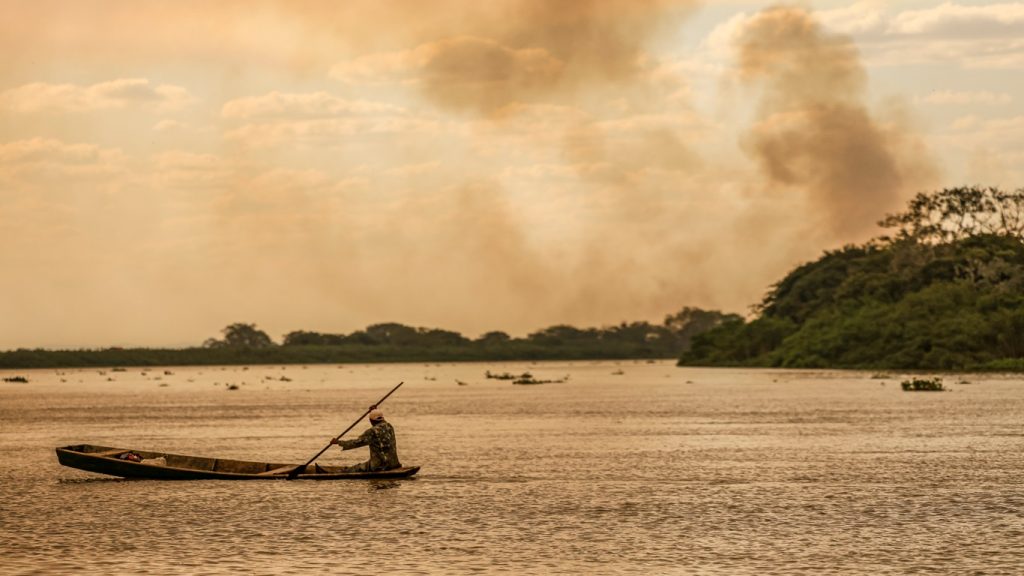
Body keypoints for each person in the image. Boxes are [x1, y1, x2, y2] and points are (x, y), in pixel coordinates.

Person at [329, 406, 401, 472]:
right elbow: (381, 419)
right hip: (393, 463)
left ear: (370, 421)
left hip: (379, 466)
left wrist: (338, 442)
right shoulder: (389, 426)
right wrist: (374, 411)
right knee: (361, 466)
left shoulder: (372, 432)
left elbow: (356, 443)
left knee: (353, 469)